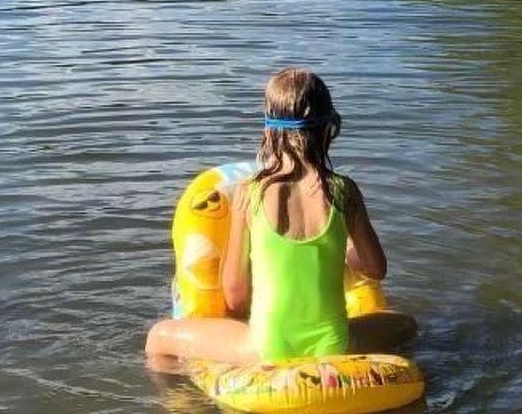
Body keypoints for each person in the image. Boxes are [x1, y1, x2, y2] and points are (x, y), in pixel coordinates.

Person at [145, 68, 417, 370]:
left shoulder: (250, 192)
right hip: (334, 345)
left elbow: (235, 296)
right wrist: (345, 256)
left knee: (158, 336)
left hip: (266, 347)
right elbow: (376, 269)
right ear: (329, 129)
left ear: (268, 131)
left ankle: (182, 394)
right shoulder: (345, 191)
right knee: (406, 324)